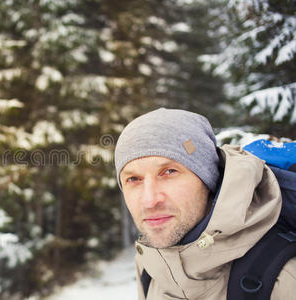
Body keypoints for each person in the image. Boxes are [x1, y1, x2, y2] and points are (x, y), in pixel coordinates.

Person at [114, 108, 296, 299]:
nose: (150, 200)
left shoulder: (284, 279)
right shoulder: (149, 268)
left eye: (169, 172)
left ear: (208, 180)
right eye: (133, 179)